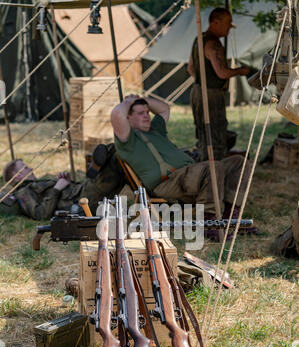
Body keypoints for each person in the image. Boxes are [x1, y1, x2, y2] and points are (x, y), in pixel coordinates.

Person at [111, 94, 256, 239]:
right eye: (140, 113)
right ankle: (210, 223)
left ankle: (232, 218)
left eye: (147, 112)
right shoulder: (128, 139)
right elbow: (117, 114)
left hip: (189, 174)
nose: (147, 116)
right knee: (213, 167)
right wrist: (129, 101)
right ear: (128, 118)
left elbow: (164, 109)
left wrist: (142, 101)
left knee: (239, 162)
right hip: (168, 181)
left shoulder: (155, 129)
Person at [187, 7, 251, 161]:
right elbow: (221, 72)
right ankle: (213, 173)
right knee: (215, 137)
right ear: (216, 22)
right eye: (228, 23)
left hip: (197, 91)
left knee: (203, 136)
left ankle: (203, 169)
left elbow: (190, 68)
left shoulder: (199, 39)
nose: (230, 27)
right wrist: (240, 71)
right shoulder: (213, 44)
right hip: (211, 95)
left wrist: (202, 82)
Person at [0, 147, 124, 219]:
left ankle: (95, 167)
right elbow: (41, 214)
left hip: (81, 191)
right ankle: (96, 166)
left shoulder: (34, 185)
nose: (31, 169)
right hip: (81, 200)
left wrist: (68, 182)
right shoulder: (23, 192)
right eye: (26, 168)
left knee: (117, 156)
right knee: (115, 156)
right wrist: (57, 189)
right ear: (17, 176)